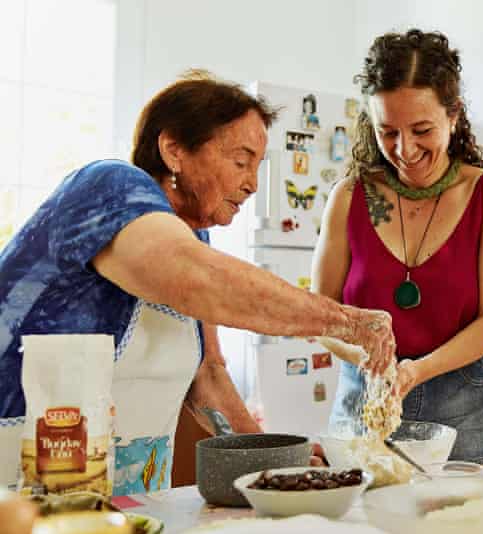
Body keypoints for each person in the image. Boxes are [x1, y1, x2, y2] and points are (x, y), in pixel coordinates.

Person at [0, 71, 395, 495]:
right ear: (173, 149)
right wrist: (346, 322)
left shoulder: (194, 234)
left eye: (258, 167)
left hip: (129, 494)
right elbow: (199, 278)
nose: (251, 184)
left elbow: (208, 376)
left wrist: (281, 459)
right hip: (21, 477)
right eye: (240, 161)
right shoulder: (109, 187)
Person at [312, 29, 483, 469]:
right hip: (362, 405)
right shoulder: (349, 197)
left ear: (454, 116)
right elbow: (321, 315)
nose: (403, 150)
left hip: (463, 409)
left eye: (421, 129)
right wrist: (371, 362)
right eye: (386, 131)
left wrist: (414, 371)